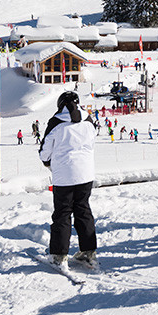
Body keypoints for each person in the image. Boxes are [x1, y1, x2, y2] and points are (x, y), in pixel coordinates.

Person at [39, 91, 98, 267]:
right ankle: (88, 251)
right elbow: (92, 142)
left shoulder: (56, 122)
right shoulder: (88, 120)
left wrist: (46, 161)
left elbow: (46, 148)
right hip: (86, 174)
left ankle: (59, 254)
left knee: (63, 214)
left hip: (64, 176)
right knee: (83, 211)